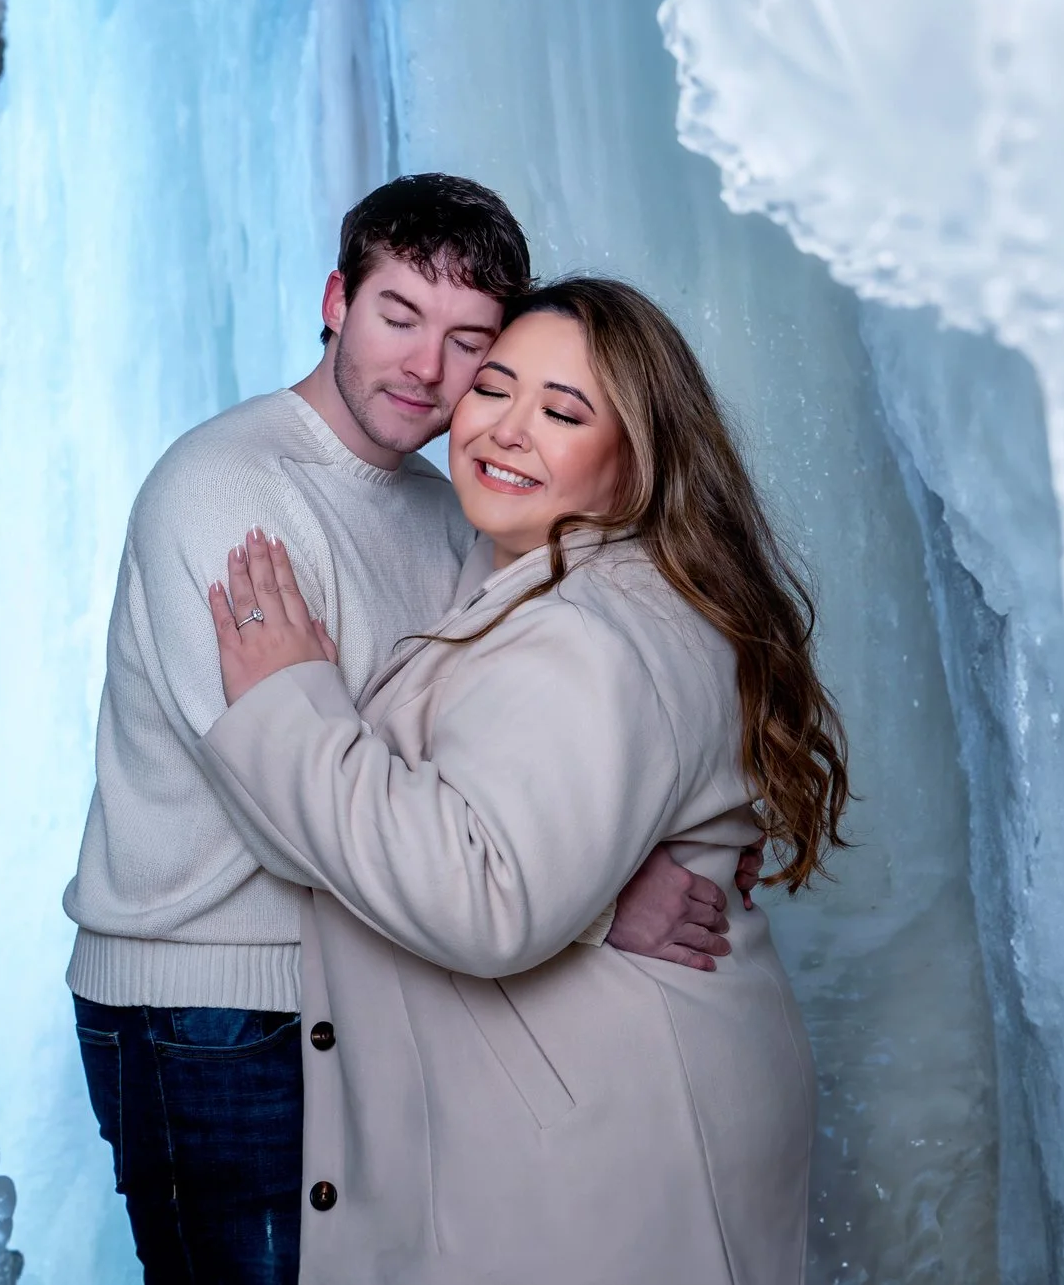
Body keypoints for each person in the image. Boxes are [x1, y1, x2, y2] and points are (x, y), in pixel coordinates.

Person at [64, 182, 740, 1285]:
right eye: (397, 315)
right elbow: (290, 817)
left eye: (467, 339)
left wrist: (575, 852)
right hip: (212, 1011)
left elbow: (462, 771)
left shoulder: (448, 506)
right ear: (336, 301)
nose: (426, 368)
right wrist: (599, 898)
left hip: (360, 991)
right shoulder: (225, 493)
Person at [196, 276, 850, 1284]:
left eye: (562, 411)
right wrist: (599, 890)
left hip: (603, 1135)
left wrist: (288, 702)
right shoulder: (583, 586)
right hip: (625, 1107)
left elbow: (486, 897)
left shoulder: (585, 632)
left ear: (636, 463)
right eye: (492, 388)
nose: (504, 429)